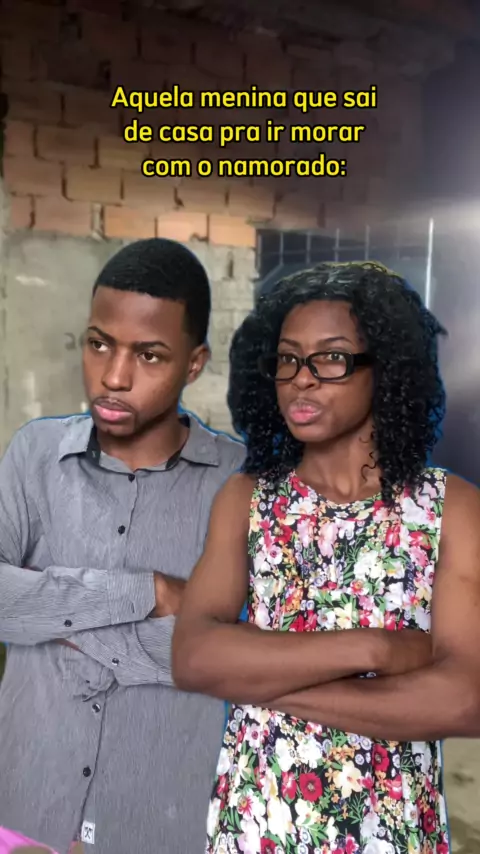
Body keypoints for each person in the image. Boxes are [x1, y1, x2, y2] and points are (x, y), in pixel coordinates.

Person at [173, 261, 480, 854]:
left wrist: (257, 678)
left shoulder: (452, 510)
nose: (301, 380)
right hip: (257, 824)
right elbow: (193, 657)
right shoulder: (248, 499)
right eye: (288, 359)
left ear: (386, 368)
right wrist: (376, 650)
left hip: (391, 831)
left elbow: (465, 700)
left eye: (331, 358)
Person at [0, 238, 245, 854]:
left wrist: (52, 614)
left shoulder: (241, 483)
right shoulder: (34, 454)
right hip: (24, 801)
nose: (113, 376)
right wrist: (148, 593)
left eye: (150, 355)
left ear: (194, 364)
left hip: (159, 822)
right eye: (99, 343)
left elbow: (240, 655)